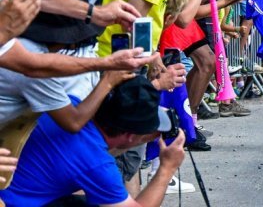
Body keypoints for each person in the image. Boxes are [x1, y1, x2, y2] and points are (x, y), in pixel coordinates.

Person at [0, 75, 186, 206]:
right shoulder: (97, 166)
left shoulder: (70, 106)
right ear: (130, 136)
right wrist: (166, 168)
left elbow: (90, 147)